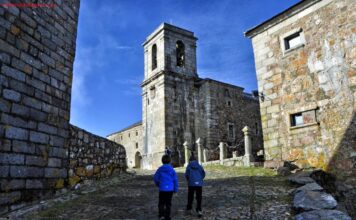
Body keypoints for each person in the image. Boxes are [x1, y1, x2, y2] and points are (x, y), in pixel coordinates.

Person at [154, 155, 178, 220]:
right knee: (168, 203)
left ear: (162, 161)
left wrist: (158, 184)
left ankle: (161, 215)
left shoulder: (160, 169)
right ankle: (167, 216)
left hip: (162, 189)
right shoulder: (172, 169)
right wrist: (175, 190)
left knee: (161, 203)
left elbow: (155, 178)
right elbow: (175, 180)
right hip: (170, 189)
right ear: (170, 161)